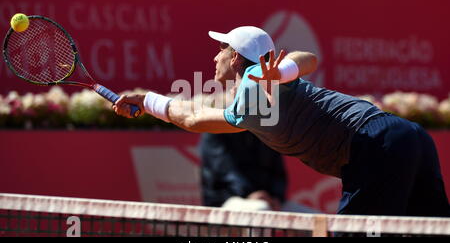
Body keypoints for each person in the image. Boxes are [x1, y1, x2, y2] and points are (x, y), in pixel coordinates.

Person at [114, 26, 450, 218]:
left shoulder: (261, 78)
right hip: (408, 137)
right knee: (432, 226)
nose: (213, 56)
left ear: (234, 57)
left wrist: (279, 71)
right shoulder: (246, 106)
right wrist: (146, 100)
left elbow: (308, 59)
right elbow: (193, 117)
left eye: (220, 49)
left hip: (376, 142)